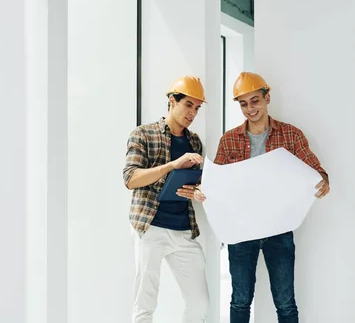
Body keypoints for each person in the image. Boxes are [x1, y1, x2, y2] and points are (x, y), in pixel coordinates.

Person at [212, 72, 330, 323]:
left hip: (279, 229)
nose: (249, 108)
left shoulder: (290, 135)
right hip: (241, 231)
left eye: (254, 100)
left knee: (285, 302)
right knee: (240, 301)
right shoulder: (229, 139)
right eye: (243, 104)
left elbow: (315, 171)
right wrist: (206, 191)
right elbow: (218, 182)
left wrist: (322, 181)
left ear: (267, 98)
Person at [123, 76, 210, 323]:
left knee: (200, 305)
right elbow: (130, 178)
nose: (193, 113)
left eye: (197, 108)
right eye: (189, 105)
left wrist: (198, 190)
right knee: (145, 303)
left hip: (183, 229)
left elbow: (194, 183)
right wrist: (173, 164)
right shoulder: (143, 134)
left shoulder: (194, 142)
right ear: (172, 101)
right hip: (150, 228)